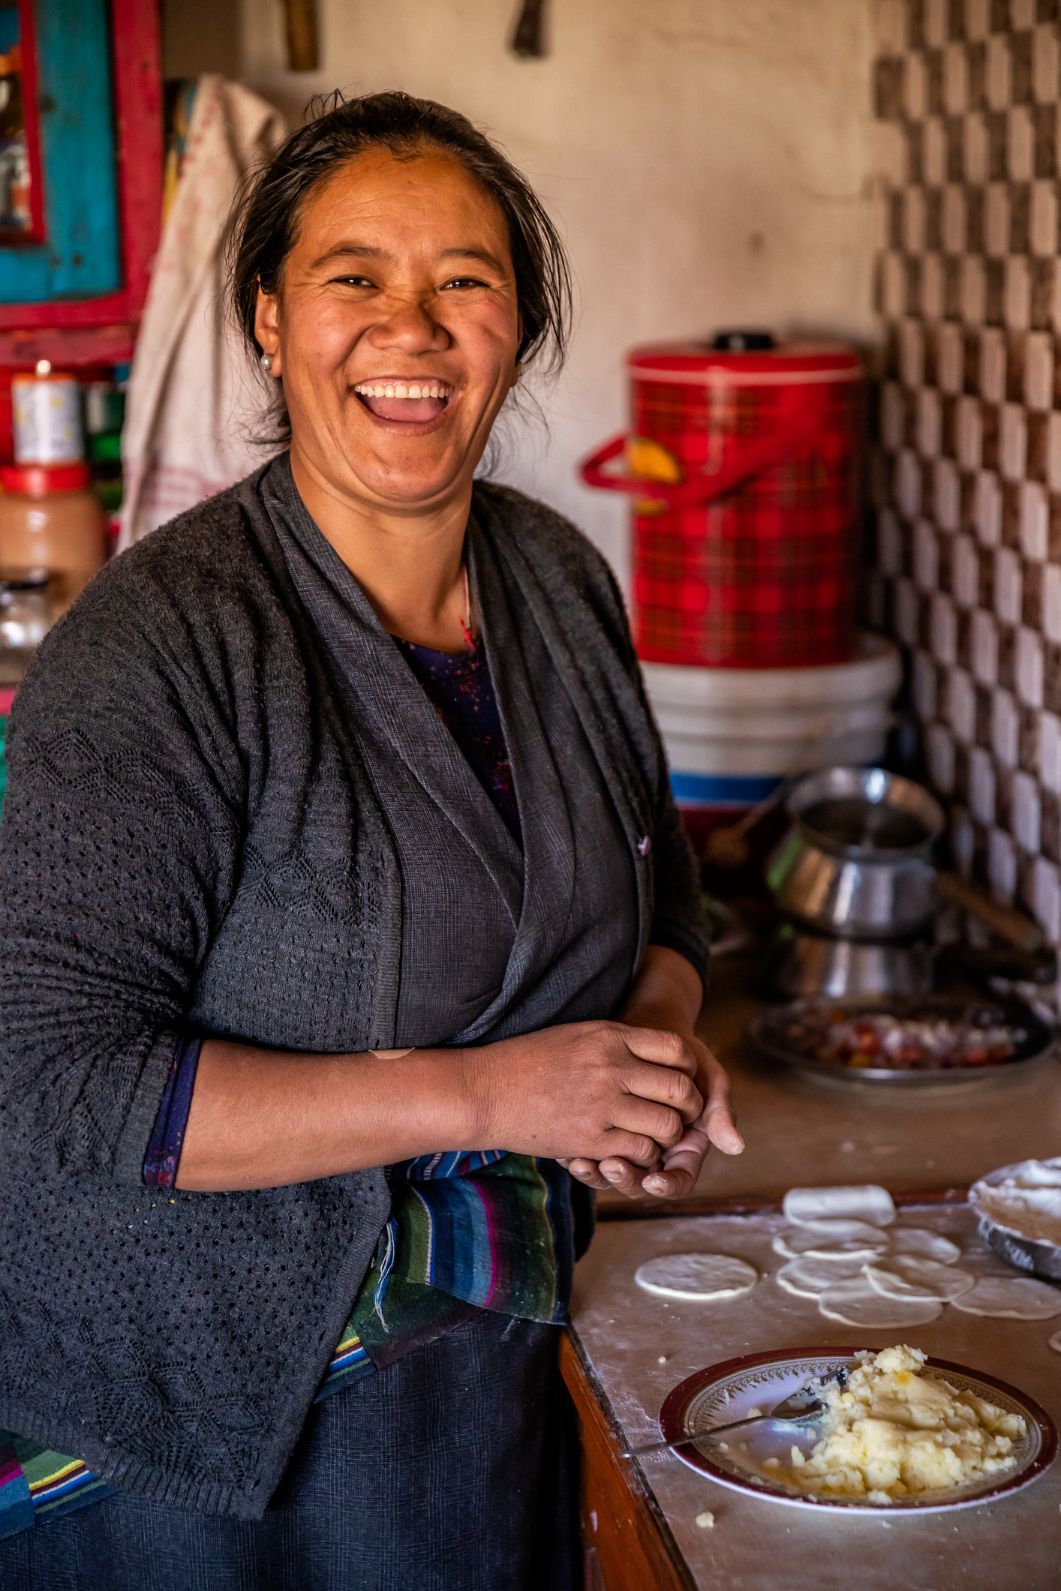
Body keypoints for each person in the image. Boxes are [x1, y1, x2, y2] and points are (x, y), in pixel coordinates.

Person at [0, 91, 742, 1590]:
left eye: (463, 280)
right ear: (270, 322)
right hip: (201, 1425)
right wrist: (491, 1089)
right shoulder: (168, 640)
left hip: (480, 1362)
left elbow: (667, 892)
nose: (411, 328)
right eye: (355, 278)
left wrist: (643, 1059)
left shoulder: (554, 579)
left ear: (517, 331)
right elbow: (47, 1082)